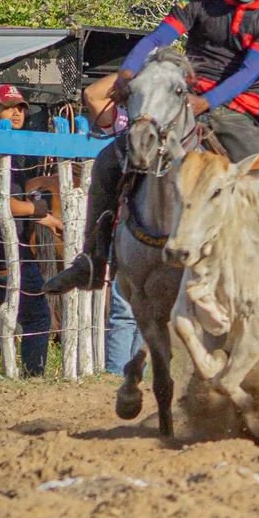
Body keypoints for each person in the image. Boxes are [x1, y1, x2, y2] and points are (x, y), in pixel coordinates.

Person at [45, 0, 259, 294]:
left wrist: (207, 102)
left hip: (236, 108)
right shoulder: (197, 2)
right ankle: (91, 261)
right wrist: (127, 74)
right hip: (181, 98)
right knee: (109, 161)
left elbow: (248, 73)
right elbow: (155, 40)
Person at [0, 86, 61, 376]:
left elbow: (7, 205)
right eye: (8, 107)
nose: (16, 112)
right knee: (37, 318)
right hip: (4, 258)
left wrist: (49, 221)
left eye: (20, 107)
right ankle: (34, 377)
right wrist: (36, 210)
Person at [81, 72, 145, 375]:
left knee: (154, 311)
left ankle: (142, 377)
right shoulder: (123, 121)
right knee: (125, 311)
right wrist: (136, 66)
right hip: (130, 227)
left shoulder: (175, 119)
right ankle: (118, 377)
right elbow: (93, 95)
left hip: (167, 230)